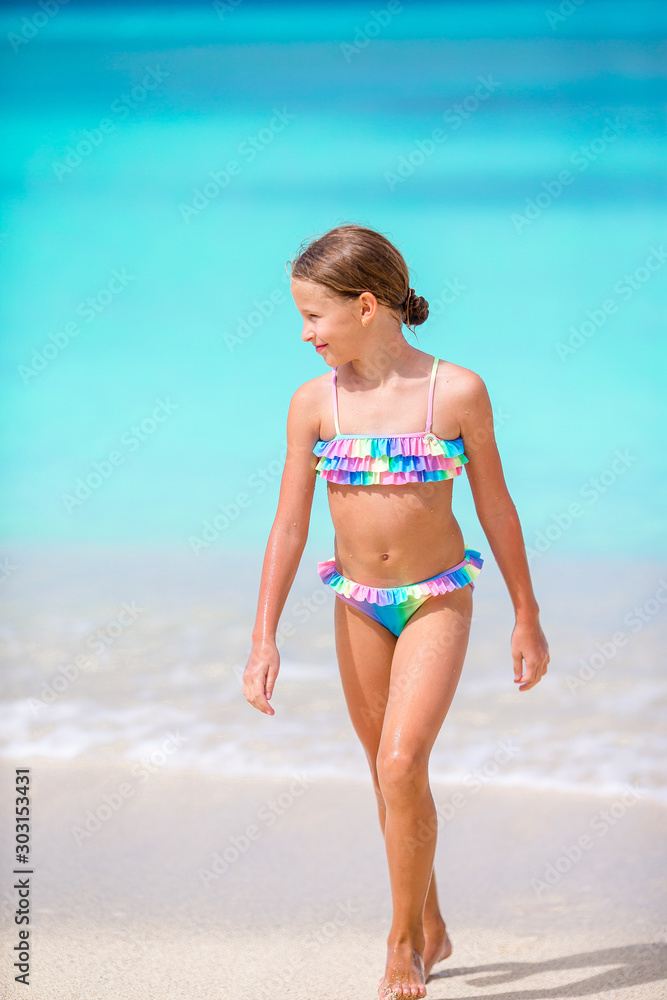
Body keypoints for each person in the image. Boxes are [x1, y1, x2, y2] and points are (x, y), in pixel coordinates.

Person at [243, 223, 549, 999]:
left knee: (400, 762)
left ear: (368, 305)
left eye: (314, 316)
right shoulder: (316, 405)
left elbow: (496, 507)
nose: (306, 334)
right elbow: (288, 526)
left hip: (435, 597)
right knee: (389, 782)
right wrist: (262, 637)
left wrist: (525, 613)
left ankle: (401, 944)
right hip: (356, 604)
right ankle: (434, 922)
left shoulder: (456, 391)